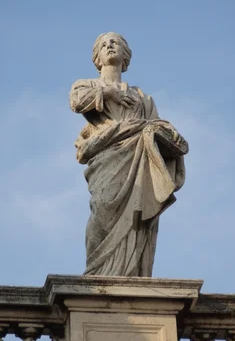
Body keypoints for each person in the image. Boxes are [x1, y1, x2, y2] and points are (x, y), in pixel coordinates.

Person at [70, 32, 187, 276]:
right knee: (102, 208)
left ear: (126, 56)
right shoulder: (87, 85)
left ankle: (131, 272)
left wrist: (166, 133)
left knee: (137, 217)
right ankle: (97, 272)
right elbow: (77, 101)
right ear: (97, 58)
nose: (109, 45)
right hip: (107, 158)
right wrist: (108, 93)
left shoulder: (142, 97)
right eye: (103, 44)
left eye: (115, 43)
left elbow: (154, 126)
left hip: (138, 159)